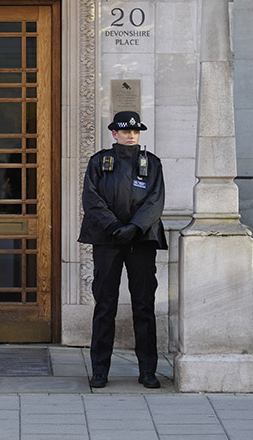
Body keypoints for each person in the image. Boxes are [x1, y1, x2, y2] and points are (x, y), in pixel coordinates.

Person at [78, 111, 167, 389]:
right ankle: (100, 370)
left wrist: (135, 228)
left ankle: (148, 371)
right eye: (125, 131)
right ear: (114, 133)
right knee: (105, 306)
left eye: (135, 132)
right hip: (108, 240)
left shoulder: (151, 163)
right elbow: (90, 198)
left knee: (144, 306)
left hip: (141, 241)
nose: (131, 135)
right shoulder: (99, 162)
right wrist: (116, 227)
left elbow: (156, 199)